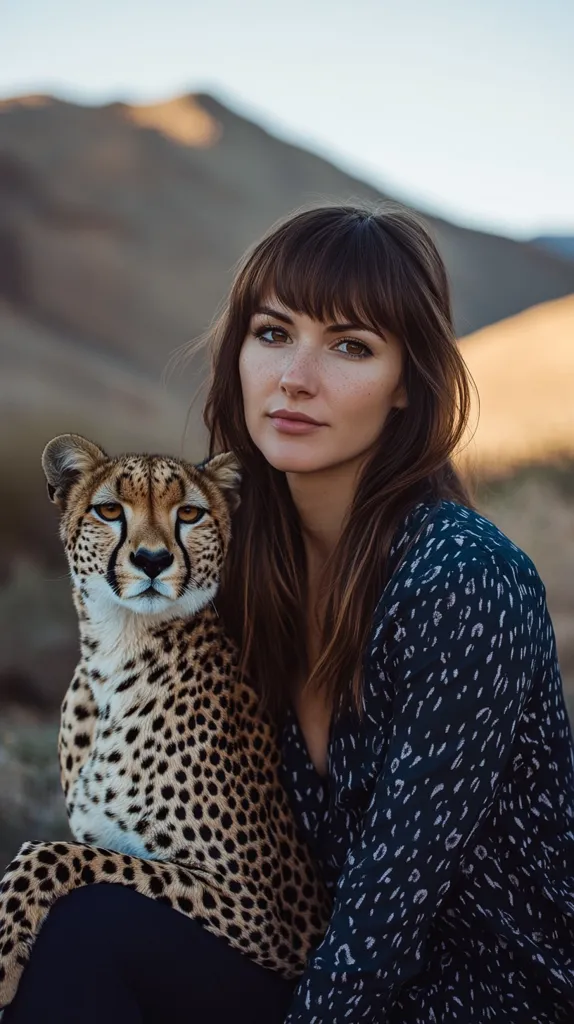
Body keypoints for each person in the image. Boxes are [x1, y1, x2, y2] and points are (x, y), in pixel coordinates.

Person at [3, 203, 574, 1024]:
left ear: (408, 383)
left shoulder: (465, 582)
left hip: (472, 1000)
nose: (295, 377)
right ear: (237, 350)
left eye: (350, 346)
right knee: (78, 927)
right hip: (307, 971)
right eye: (273, 333)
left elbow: (386, 919)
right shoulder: (233, 569)